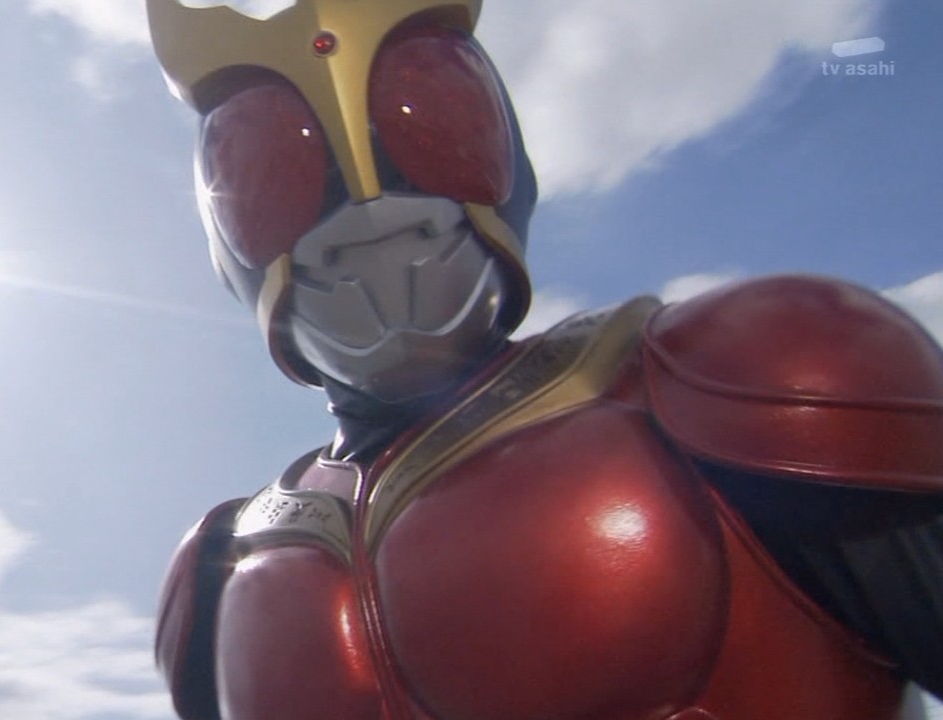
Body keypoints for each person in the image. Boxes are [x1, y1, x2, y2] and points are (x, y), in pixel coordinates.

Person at [146, 1, 943, 718]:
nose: (369, 201)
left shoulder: (743, 376)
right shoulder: (222, 570)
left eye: (430, 128)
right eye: (270, 168)